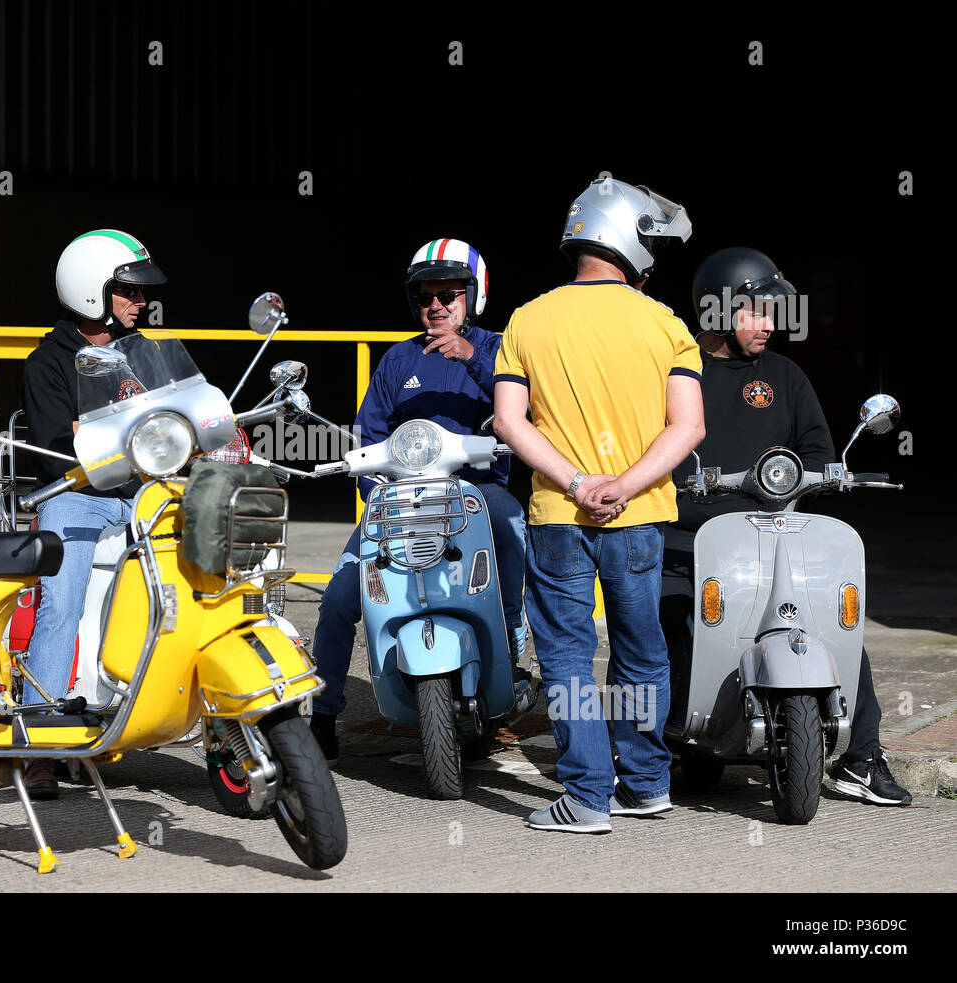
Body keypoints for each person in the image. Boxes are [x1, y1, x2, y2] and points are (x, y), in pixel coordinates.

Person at [663, 246, 910, 805]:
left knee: (837, 626)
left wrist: (828, 475)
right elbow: (655, 449)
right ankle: (655, 747)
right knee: (660, 618)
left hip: (774, 533)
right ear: (718, 311)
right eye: (755, 311)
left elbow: (821, 451)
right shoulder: (678, 372)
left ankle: (860, 756)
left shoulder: (784, 376)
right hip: (693, 538)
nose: (769, 325)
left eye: (773, 312)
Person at [493, 177, 704, 833]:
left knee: (567, 654)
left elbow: (508, 420)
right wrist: (624, 483)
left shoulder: (528, 319)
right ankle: (646, 783)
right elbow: (688, 427)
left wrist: (578, 479)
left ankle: (586, 796)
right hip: (638, 517)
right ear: (629, 240)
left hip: (560, 516)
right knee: (642, 651)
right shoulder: (665, 322)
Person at [308, 238, 528, 766]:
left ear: (473, 296)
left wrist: (472, 357)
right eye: (427, 297)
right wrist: (375, 492)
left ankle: (512, 673)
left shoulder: (501, 350)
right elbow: (369, 432)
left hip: (478, 493)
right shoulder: (397, 360)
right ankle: (322, 715)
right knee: (340, 598)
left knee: (514, 537)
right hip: (399, 499)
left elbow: (524, 410)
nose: (437, 306)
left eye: (449, 295)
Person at [18, 229, 166, 798]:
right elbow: (60, 443)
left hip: (143, 488)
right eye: (128, 291)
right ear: (91, 293)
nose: (141, 301)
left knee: (202, 576)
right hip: (75, 493)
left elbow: (176, 406)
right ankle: (39, 745)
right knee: (62, 602)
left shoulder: (144, 351)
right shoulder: (48, 363)